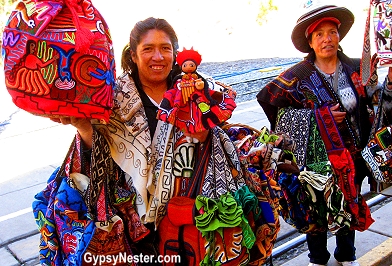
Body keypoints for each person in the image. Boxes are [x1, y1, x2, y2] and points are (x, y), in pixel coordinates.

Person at [33, 16, 258, 266]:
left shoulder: (196, 88)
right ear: (134, 56)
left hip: (189, 209)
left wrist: (200, 130)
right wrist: (82, 126)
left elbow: (214, 138)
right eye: (148, 49)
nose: (158, 57)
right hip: (136, 221)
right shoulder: (113, 99)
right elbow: (94, 154)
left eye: (165, 48)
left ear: (175, 54)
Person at [256, 5, 392, 266]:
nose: (327, 39)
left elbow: (379, 106)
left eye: (332, 32)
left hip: (352, 158)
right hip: (315, 163)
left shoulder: (359, 68)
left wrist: (390, 82)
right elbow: (276, 113)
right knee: (315, 209)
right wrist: (318, 118)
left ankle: (347, 255)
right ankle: (318, 258)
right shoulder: (296, 78)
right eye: (319, 34)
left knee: (349, 204)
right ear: (310, 42)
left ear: (339, 36)